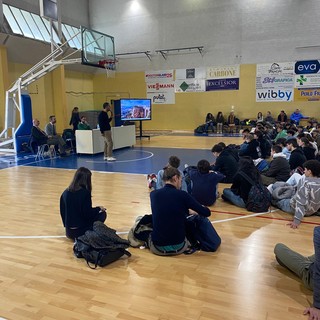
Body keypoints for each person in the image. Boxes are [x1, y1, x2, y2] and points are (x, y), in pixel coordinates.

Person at [149, 167, 220, 256]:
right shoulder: (183, 195)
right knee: (192, 220)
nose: (181, 183)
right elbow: (206, 213)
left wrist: (185, 210)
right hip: (179, 246)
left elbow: (167, 209)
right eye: (181, 180)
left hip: (157, 248)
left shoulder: (153, 194)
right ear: (175, 178)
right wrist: (197, 209)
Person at [274, 226, 320, 319]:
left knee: (278, 248)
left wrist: (317, 306)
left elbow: (319, 272)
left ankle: (305, 263)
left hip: (311, 276)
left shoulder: (318, 232)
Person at [59, 167, 107, 239]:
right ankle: (90, 232)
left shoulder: (65, 192)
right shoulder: (85, 193)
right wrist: (98, 208)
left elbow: (63, 212)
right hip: (80, 231)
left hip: (68, 232)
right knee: (102, 214)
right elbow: (88, 213)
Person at [271, 160, 320, 228]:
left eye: (305, 170)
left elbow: (301, 203)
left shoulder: (304, 183)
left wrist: (296, 221)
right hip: (312, 210)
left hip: (295, 207)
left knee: (276, 201)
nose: (304, 171)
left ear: (309, 171)